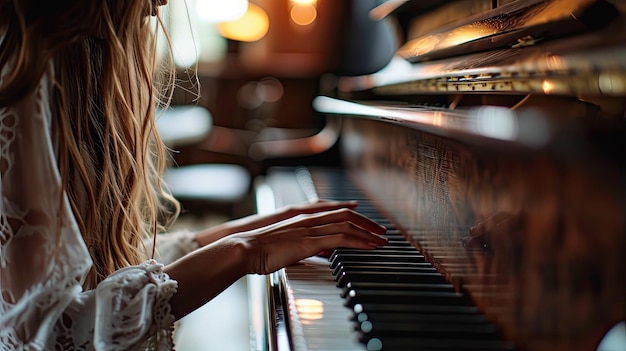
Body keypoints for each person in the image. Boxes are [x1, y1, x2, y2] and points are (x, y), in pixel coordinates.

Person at [0, 0, 388, 350]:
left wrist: (230, 235)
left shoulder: (50, 71)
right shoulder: (18, 90)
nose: (162, 2)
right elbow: (45, 335)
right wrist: (243, 251)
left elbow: (76, 273)